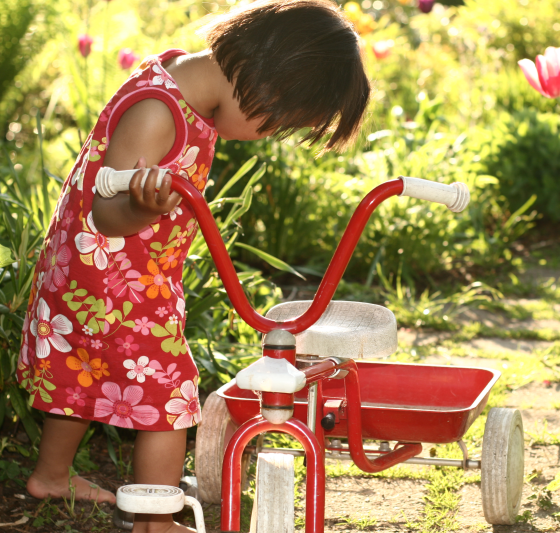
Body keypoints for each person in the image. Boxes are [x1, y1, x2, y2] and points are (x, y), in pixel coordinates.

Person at [17, 0, 370, 531]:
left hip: (101, 277)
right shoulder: (159, 113)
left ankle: (51, 474)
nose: (269, 135)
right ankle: (154, 520)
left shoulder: (183, 81)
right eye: (277, 123)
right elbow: (106, 213)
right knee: (169, 394)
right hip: (114, 284)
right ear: (267, 85)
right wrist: (141, 205)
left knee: (81, 369)